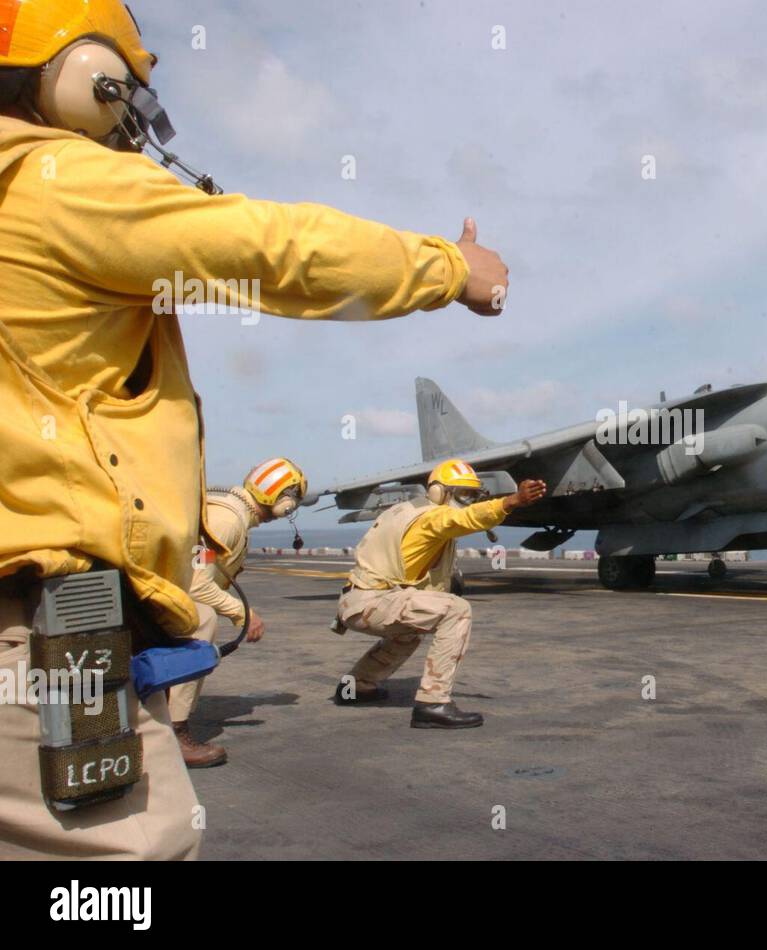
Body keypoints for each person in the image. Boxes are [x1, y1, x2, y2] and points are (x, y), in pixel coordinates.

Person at [0, 0, 509, 859]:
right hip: (46, 629)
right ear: (89, 76)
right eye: (130, 92)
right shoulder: (51, 183)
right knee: (124, 870)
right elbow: (272, 249)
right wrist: (451, 269)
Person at [334, 461, 546, 728]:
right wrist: (511, 501)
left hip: (361, 600)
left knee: (407, 634)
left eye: (472, 495)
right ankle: (433, 703)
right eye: (462, 494)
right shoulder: (432, 516)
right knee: (456, 610)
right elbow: (462, 519)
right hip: (372, 601)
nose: (467, 501)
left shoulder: (403, 510)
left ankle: (356, 687)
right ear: (438, 492)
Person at [175, 458, 309, 768]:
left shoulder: (227, 512)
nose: (290, 509)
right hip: (162, 599)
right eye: (292, 501)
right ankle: (173, 730)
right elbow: (196, 585)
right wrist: (242, 612)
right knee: (202, 619)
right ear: (282, 500)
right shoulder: (227, 521)